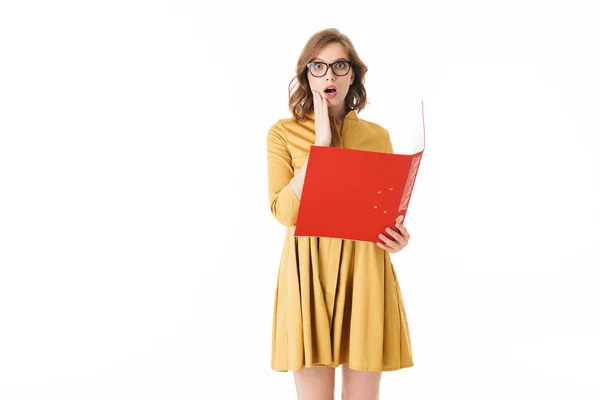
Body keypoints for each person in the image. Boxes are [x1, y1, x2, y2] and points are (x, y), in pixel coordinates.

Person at [266, 28, 414, 400]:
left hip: (365, 272)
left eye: (339, 65)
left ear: (353, 75)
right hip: (308, 273)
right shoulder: (282, 134)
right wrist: (321, 146)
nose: (329, 75)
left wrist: (398, 237)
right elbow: (284, 212)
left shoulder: (377, 136)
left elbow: (384, 209)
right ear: (306, 75)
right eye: (319, 66)